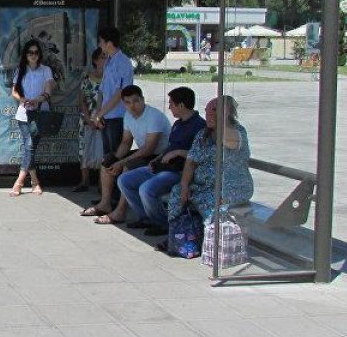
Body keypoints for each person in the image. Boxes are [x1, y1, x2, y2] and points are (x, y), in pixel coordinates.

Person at [164, 95, 253, 253]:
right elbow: (191, 161)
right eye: (207, 111)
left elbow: (230, 142)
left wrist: (221, 121)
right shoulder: (202, 135)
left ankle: (213, 243)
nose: (208, 115)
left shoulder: (237, 132)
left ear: (226, 113)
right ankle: (178, 237)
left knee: (210, 201)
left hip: (229, 187)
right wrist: (184, 185)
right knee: (177, 193)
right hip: (203, 186)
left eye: (214, 111)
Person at [117, 86, 206, 234]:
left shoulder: (200, 126)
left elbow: (202, 154)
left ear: (181, 105)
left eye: (171, 104)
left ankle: (161, 223)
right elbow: (170, 147)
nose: (169, 107)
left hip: (180, 171)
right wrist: (157, 160)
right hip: (164, 166)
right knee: (124, 180)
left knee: (146, 189)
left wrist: (178, 152)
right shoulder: (177, 124)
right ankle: (145, 217)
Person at [80, 85, 170, 224]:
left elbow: (149, 149)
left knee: (128, 167)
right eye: (127, 102)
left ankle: (120, 212)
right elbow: (126, 142)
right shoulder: (128, 116)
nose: (132, 106)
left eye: (136, 101)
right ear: (123, 103)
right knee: (106, 163)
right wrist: (115, 160)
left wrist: (121, 163)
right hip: (144, 154)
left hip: (159, 157)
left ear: (143, 99)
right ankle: (105, 204)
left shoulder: (154, 116)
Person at [9, 38, 55, 197]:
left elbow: (49, 91)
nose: (33, 55)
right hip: (23, 114)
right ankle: (33, 181)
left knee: (29, 146)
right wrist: (23, 100)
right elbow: (14, 91)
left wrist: (37, 101)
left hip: (40, 113)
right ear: (25, 54)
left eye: (36, 52)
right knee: (29, 146)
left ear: (39, 54)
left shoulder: (46, 70)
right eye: (30, 52)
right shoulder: (20, 70)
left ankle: (20, 181)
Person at [91, 27, 132, 159]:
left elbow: (121, 92)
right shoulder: (108, 62)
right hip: (105, 117)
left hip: (117, 117)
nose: (99, 45)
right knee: (107, 157)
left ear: (109, 43)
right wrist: (98, 114)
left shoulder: (123, 62)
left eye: (101, 41)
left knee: (116, 157)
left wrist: (100, 114)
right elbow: (102, 91)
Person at [73, 48, 106, 192]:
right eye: (102, 57)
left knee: (103, 151)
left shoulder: (110, 79)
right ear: (95, 60)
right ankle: (84, 180)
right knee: (84, 149)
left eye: (106, 57)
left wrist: (100, 118)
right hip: (87, 120)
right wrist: (88, 119)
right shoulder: (87, 79)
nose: (105, 60)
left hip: (104, 120)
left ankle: (102, 183)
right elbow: (81, 101)